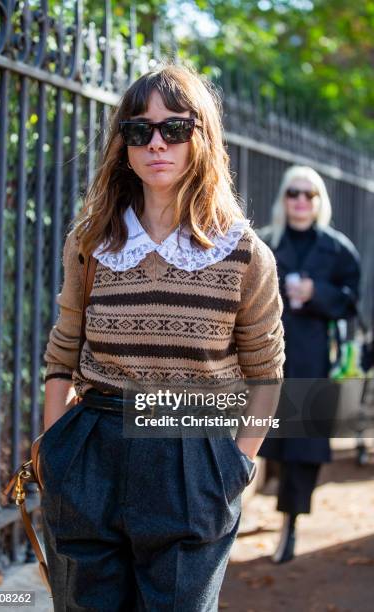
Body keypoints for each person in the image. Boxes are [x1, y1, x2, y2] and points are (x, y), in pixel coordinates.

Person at [40, 64, 285, 611]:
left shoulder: (244, 254)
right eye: (139, 129)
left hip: (192, 452)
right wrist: (51, 454)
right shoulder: (91, 244)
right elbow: (62, 353)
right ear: (123, 143)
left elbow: (266, 373)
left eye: (175, 128)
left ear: (203, 138)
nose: (156, 142)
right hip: (90, 451)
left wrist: (234, 467)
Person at [258, 165, 361, 564]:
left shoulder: (336, 248)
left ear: (319, 201)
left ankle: (291, 523)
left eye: (309, 194)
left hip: (314, 357)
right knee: (261, 435)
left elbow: (352, 298)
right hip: (264, 359)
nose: (301, 201)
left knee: (303, 445)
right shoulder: (265, 243)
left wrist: (319, 293)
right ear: (283, 198)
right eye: (293, 193)